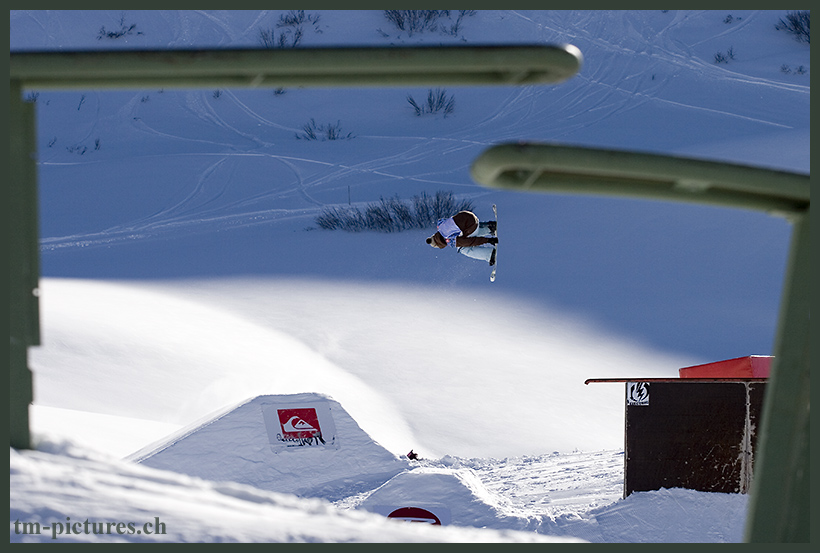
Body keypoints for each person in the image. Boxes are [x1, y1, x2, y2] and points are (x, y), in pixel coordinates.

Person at [426, 210, 497, 265]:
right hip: (468, 215)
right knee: (465, 233)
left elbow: (469, 242)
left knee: (463, 249)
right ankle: (490, 227)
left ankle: (491, 255)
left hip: (471, 225)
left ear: (439, 244)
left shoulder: (450, 240)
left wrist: (488, 240)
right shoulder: (440, 226)